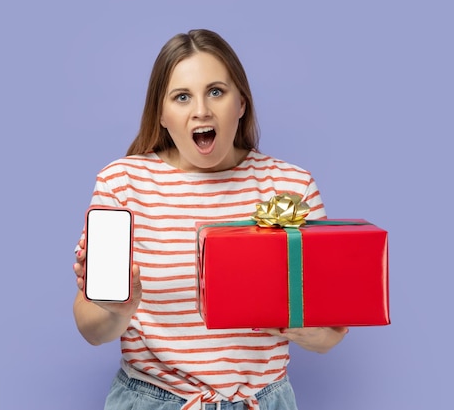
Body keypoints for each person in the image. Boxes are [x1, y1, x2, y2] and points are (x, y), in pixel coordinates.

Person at [72, 29, 348, 410]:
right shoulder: (122, 183)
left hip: (263, 400)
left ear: (241, 104)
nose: (201, 109)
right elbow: (90, 329)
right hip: (152, 400)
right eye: (182, 97)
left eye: (216, 91)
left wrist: (291, 321)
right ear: (163, 115)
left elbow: (332, 334)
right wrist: (114, 310)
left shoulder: (292, 185)